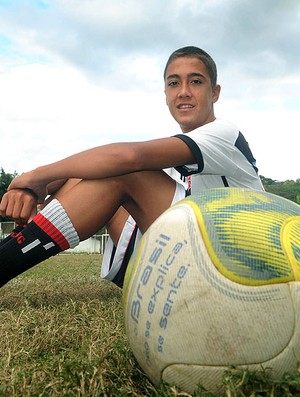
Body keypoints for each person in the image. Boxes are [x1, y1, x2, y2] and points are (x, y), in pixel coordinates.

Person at [0, 46, 264, 288]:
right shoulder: (176, 164)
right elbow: (98, 166)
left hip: (231, 266)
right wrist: (33, 190)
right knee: (95, 172)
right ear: (166, 95)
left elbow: (128, 157)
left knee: (125, 171)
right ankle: (18, 241)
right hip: (179, 263)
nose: (183, 91)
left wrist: (36, 176)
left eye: (195, 81)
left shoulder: (224, 134)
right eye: (174, 83)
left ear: (214, 92)